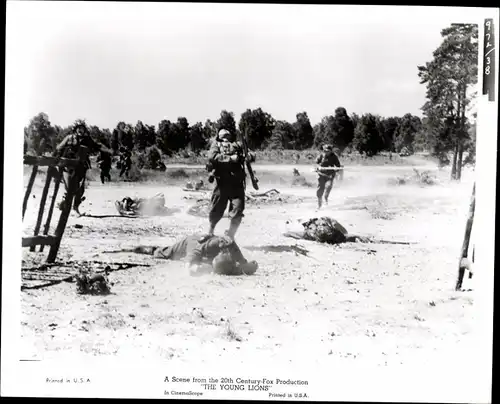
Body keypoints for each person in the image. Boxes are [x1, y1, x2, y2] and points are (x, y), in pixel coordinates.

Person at [116, 234, 258, 276]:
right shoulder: (214, 245)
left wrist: (245, 263)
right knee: (165, 253)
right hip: (192, 242)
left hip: (206, 252)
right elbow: (196, 252)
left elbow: (240, 258)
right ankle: (145, 249)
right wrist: (188, 268)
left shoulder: (230, 247)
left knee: (205, 267)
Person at [202, 128, 255, 241]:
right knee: (216, 210)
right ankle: (210, 232)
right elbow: (212, 156)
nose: (226, 138)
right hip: (222, 183)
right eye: (224, 136)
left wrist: (249, 156)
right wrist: (230, 158)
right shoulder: (216, 145)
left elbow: (251, 153)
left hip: (237, 183)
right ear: (219, 137)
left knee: (238, 210)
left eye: (228, 136)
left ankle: (230, 235)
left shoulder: (238, 145)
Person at [54, 121, 112, 215]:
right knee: (69, 188)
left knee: (80, 189)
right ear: (76, 129)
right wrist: (57, 161)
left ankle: (75, 207)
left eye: (82, 129)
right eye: (79, 129)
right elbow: (59, 148)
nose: (80, 130)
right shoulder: (69, 138)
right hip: (67, 166)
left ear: (84, 130)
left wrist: (107, 151)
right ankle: (64, 204)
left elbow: (96, 146)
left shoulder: (87, 140)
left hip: (81, 167)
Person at [315, 144, 342, 209]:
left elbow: (338, 166)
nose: (326, 152)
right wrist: (318, 167)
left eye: (328, 151)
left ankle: (326, 198)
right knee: (320, 189)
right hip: (321, 174)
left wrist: (336, 169)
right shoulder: (321, 155)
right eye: (325, 151)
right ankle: (319, 203)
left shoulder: (334, 157)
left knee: (328, 186)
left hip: (330, 175)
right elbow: (316, 163)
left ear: (331, 151)